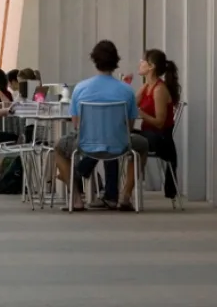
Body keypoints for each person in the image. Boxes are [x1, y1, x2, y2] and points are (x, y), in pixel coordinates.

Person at [53, 40, 149, 212]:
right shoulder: (126, 91)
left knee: (59, 148)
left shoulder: (81, 88)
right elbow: (129, 125)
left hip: (85, 145)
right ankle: (125, 195)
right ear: (116, 62)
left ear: (94, 60)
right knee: (142, 145)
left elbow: (76, 124)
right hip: (119, 144)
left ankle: (75, 198)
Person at [135, 49, 181, 201]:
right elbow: (131, 105)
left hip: (160, 139)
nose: (140, 64)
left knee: (126, 140)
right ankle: (120, 191)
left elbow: (160, 123)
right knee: (121, 137)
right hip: (148, 135)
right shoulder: (146, 87)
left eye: (143, 61)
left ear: (151, 66)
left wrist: (141, 113)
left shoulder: (159, 90)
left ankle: (124, 191)